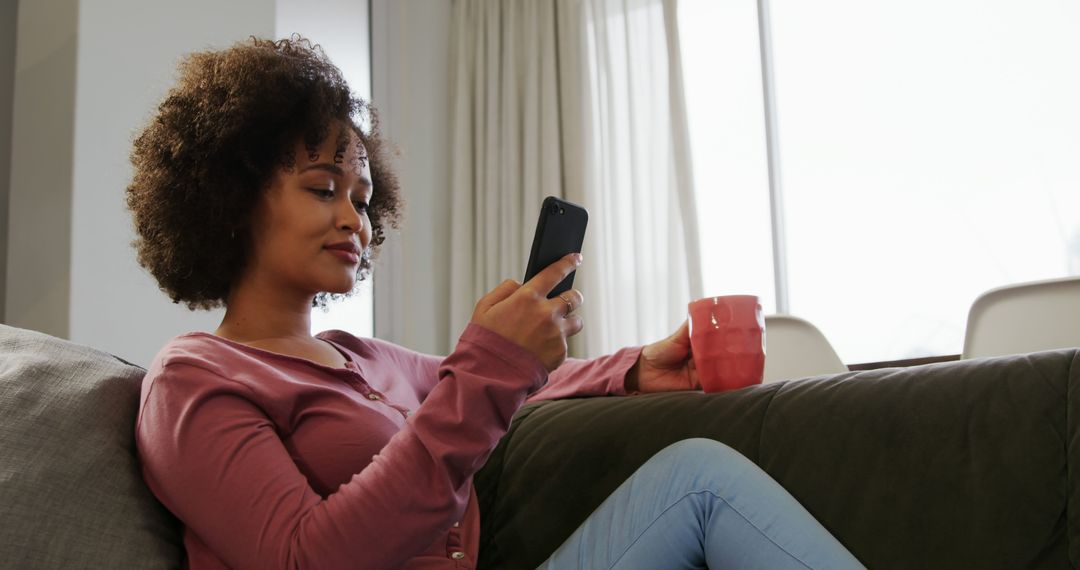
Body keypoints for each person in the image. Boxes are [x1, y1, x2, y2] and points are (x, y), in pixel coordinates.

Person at [128, 36, 864, 569]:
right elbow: (304, 557)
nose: (354, 219)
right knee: (699, 484)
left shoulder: (360, 358)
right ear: (227, 198)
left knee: (696, 480)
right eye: (324, 190)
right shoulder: (194, 380)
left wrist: (636, 371)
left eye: (362, 197)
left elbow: (485, 387)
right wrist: (488, 369)